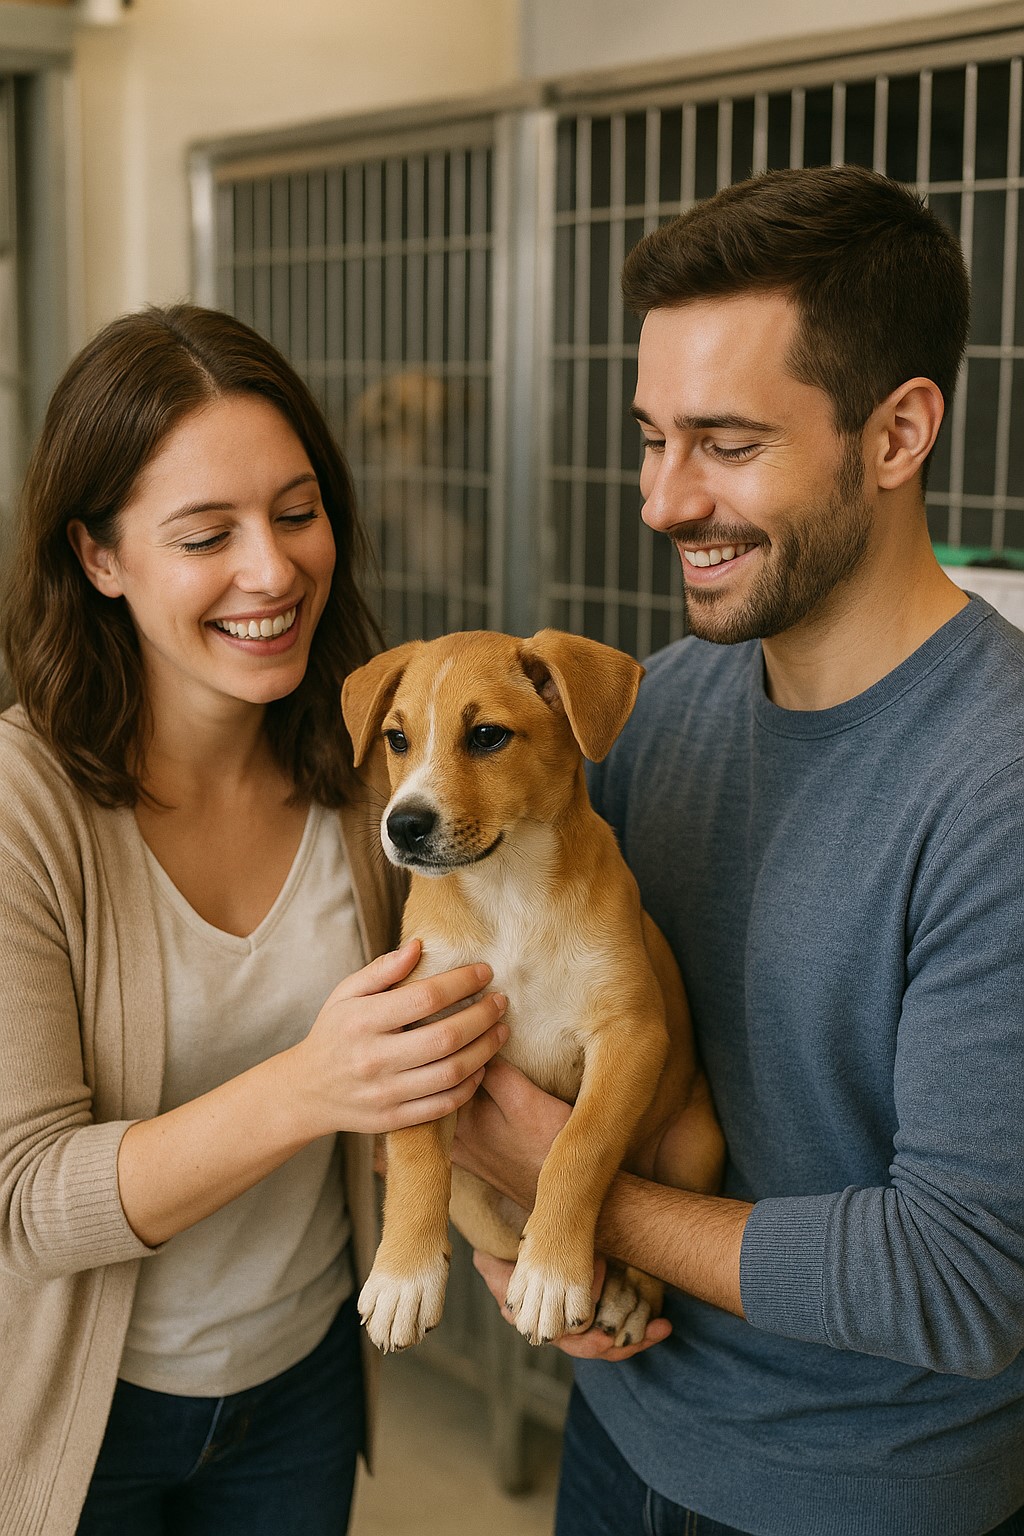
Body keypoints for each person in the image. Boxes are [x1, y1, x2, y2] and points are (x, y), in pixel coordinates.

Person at [453, 165, 1024, 1535]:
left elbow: (959, 1281)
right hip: (628, 1428)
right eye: (653, 436)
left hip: (865, 1497)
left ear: (896, 435)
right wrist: (513, 1246)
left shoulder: (994, 787)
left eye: (724, 442)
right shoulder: (648, 715)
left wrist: (568, 1191)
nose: (662, 499)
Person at [0, 303, 510, 1536]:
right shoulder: (25, 809)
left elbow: (449, 1062)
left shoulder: (377, 778)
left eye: (295, 512)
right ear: (100, 556)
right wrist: (308, 1086)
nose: (272, 571)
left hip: (304, 1384)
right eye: (204, 534)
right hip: (85, 1414)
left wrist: (526, 1247)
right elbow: (24, 1202)